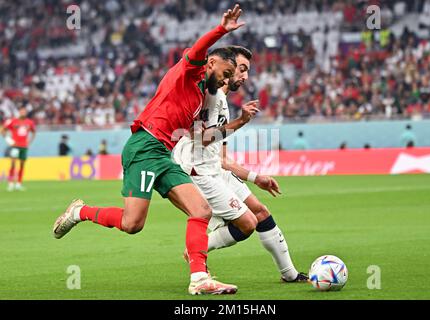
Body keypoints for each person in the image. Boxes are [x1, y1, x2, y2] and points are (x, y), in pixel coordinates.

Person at [52, 4, 248, 295]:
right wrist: (221, 30)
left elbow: (203, 136)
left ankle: (199, 278)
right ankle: (81, 212)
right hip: (144, 146)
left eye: (231, 76)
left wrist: (238, 122)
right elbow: (198, 47)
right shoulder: (187, 72)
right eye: (226, 72)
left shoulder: (198, 98)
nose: (227, 79)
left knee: (201, 210)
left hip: (162, 154)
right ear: (210, 64)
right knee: (132, 224)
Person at [173, 46, 308, 283]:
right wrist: (241, 121)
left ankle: (290, 274)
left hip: (214, 168)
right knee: (247, 224)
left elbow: (223, 159)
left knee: (261, 212)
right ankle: (197, 250)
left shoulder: (222, 100)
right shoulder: (209, 96)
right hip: (197, 171)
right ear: (228, 67)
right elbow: (202, 138)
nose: (245, 76)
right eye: (242, 69)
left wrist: (257, 178)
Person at [1, 106, 36, 191]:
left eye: (24, 111)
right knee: (13, 164)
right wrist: (9, 140)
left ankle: (19, 184)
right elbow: (2, 130)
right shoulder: (13, 121)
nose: (23, 113)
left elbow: (33, 132)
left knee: (22, 165)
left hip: (24, 146)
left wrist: (29, 142)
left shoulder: (30, 122)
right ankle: (10, 183)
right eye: (21, 111)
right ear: (19, 112)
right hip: (15, 146)